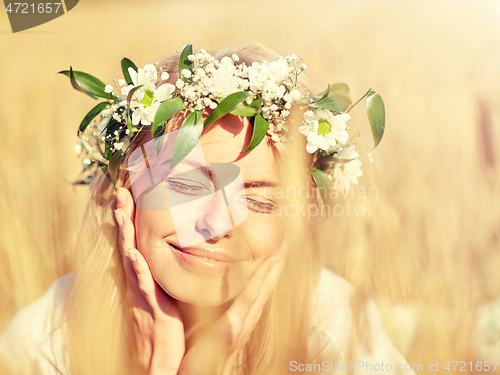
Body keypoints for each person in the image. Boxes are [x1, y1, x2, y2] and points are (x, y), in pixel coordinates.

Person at [0, 44, 414, 374]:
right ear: (121, 192)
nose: (217, 225)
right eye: (185, 183)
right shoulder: (45, 340)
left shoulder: (334, 333)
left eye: (260, 200)